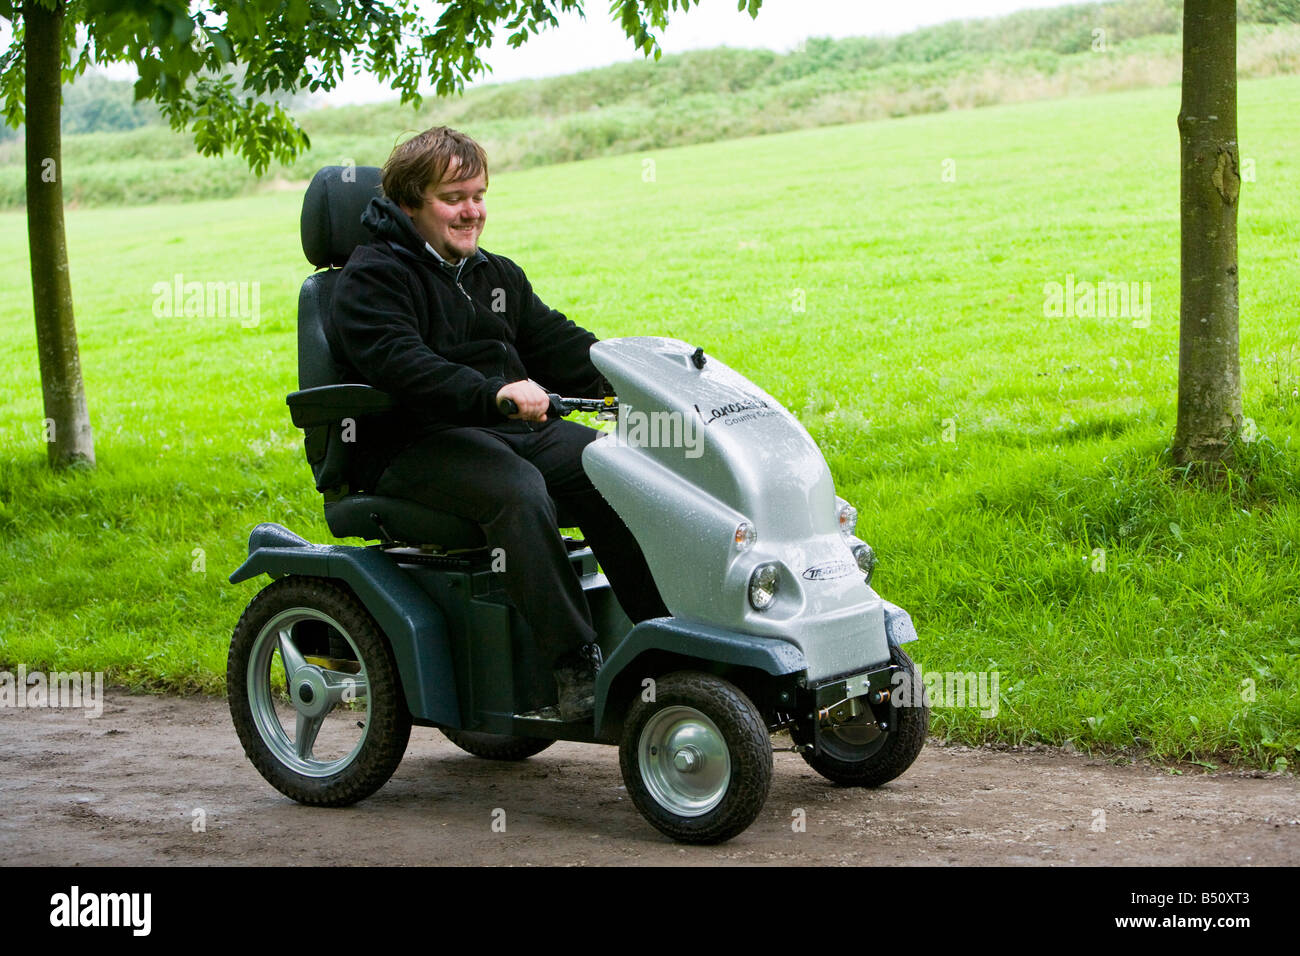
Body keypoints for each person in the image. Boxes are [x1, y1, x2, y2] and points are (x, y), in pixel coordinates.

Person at [325, 126, 668, 721]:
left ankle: (665, 634)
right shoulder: (371, 278)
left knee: (613, 468)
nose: (472, 211)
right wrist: (496, 395)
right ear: (410, 203)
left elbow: (557, 344)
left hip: (502, 431)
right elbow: (406, 367)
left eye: (478, 194)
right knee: (517, 491)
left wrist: (638, 379)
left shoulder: (495, 275)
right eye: (453, 197)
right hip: (409, 444)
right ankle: (571, 664)